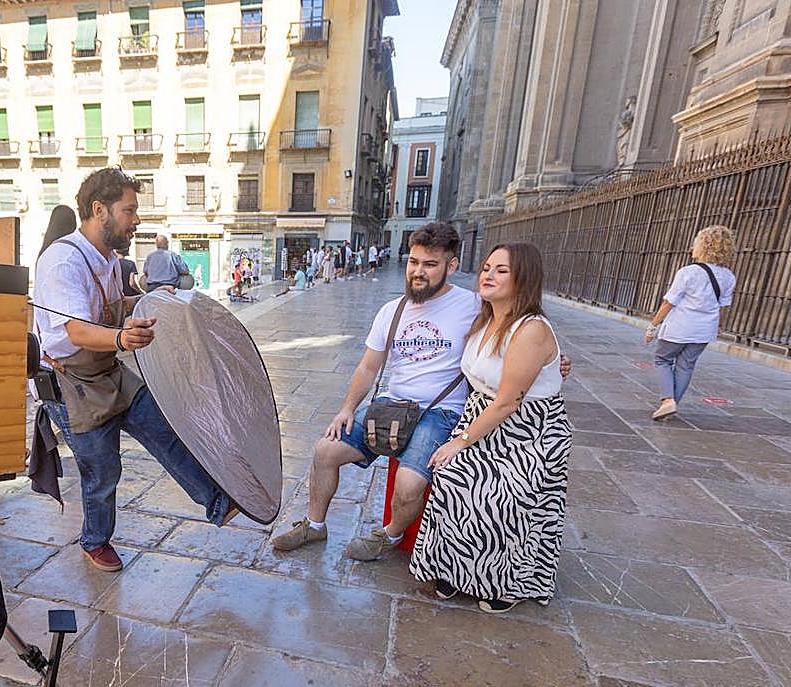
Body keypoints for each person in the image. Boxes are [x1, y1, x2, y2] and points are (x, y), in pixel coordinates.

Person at [270, 222, 571, 560]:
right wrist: (347, 409)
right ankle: (314, 524)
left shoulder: (476, 306)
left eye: (430, 264)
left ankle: (390, 534)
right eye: (414, 262)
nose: (418, 272)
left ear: (451, 266)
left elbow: (517, 337)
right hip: (390, 405)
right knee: (325, 450)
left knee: (411, 483)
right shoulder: (391, 311)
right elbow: (369, 367)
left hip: (441, 412)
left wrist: (553, 361)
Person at [33, 168, 237, 572]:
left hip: (106, 369)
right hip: (70, 381)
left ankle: (216, 501)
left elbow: (107, 308)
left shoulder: (108, 259)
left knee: (163, 425)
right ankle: (95, 541)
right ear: (99, 210)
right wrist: (122, 339)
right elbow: (74, 328)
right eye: (129, 210)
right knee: (103, 468)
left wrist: (143, 301)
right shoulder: (62, 261)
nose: (136, 219)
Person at [410, 242, 571, 614]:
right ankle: (455, 570)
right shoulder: (485, 319)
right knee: (452, 480)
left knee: (501, 499)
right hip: (482, 415)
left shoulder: (530, 329)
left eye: (501, 271)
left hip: (527, 432)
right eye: (486, 268)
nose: (488, 276)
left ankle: (506, 583)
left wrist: (460, 441)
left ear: (523, 279)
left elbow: (509, 400)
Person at [644, 225, 737, 420]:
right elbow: (724, 306)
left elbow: (669, 302)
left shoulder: (688, 272)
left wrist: (653, 325)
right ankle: (671, 405)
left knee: (663, 360)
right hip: (704, 331)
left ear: (702, 246)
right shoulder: (729, 277)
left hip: (679, 327)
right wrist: (720, 325)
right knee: (686, 366)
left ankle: (668, 401)